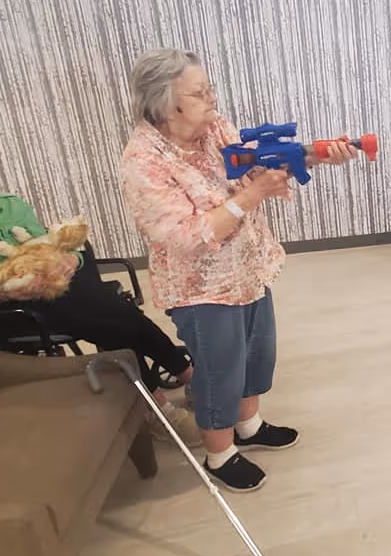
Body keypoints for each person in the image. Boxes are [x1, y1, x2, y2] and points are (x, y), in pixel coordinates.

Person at [119, 49, 356, 492]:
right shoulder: (143, 161)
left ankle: (249, 427)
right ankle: (220, 454)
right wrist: (252, 195)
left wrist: (317, 154)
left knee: (257, 353)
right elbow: (184, 236)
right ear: (167, 104)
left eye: (209, 87)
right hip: (201, 286)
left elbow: (258, 160)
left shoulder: (214, 128)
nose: (212, 97)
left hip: (248, 266)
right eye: (199, 92)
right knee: (219, 370)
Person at [0, 150, 201, 446]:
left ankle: (166, 392)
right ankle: (174, 389)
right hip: (2, 310)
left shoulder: (10, 205)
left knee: (107, 307)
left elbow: (46, 245)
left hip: (51, 285)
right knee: (110, 317)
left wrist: (71, 259)